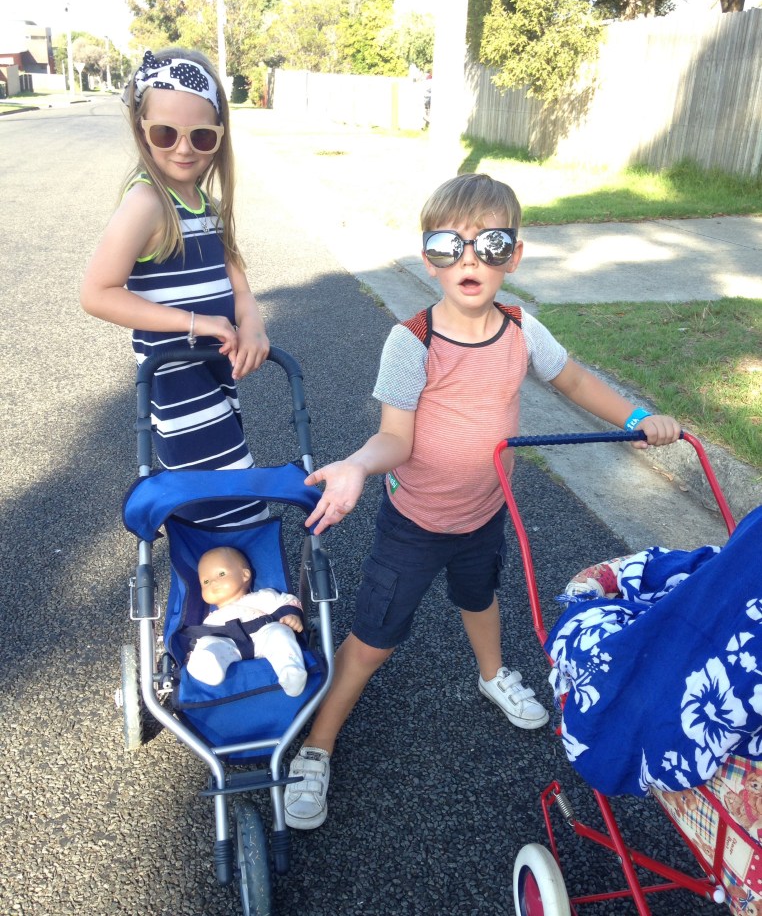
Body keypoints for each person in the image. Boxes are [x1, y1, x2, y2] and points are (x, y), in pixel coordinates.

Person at [283, 172, 682, 830]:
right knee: (373, 640)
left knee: (480, 596)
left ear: (514, 256)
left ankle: (492, 674)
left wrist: (637, 417)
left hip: (484, 513)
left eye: (491, 244)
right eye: (450, 244)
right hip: (414, 522)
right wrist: (356, 465)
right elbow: (394, 437)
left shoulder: (522, 330)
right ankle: (317, 746)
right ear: (428, 258)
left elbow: (574, 380)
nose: (469, 258)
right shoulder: (413, 341)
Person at [80, 49, 269, 524]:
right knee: (232, 510)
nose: (183, 149)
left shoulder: (206, 204)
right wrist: (195, 322)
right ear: (141, 128)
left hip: (212, 380)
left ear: (219, 137)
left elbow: (240, 288)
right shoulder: (147, 202)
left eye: (200, 136)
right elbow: (98, 292)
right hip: (178, 391)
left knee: (216, 511)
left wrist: (253, 326)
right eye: (165, 133)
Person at [186, 546, 307, 695]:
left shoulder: (262, 596)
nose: (213, 583)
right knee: (207, 642)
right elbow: (201, 639)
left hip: (264, 637)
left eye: (221, 574)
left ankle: (291, 672)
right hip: (229, 648)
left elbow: (287, 601)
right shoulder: (211, 618)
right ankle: (209, 668)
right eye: (205, 581)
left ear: (245, 575)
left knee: (280, 632)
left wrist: (291, 615)